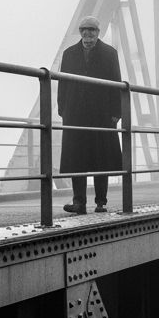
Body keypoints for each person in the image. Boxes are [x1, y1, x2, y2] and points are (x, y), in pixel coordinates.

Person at [58, 15, 122, 214]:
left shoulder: (110, 54)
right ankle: (79, 203)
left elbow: (116, 84)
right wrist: (63, 110)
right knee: (77, 158)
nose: (88, 34)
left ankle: (100, 202)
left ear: (98, 32)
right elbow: (62, 84)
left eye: (91, 30)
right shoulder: (69, 54)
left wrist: (116, 112)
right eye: (84, 30)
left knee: (100, 157)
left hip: (101, 114)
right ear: (80, 32)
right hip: (75, 113)